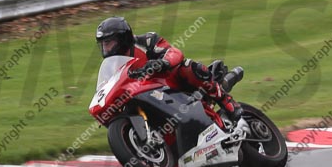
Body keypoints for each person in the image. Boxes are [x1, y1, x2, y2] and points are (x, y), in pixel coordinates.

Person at [95, 16, 242, 121]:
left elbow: (174, 52)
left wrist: (161, 63)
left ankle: (225, 100)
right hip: (147, 97)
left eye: (109, 43)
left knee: (187, 66)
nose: (105, 48)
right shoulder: (112, 66)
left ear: (122, 39)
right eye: (102, 44)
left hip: (171, 84)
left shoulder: (146, 41)